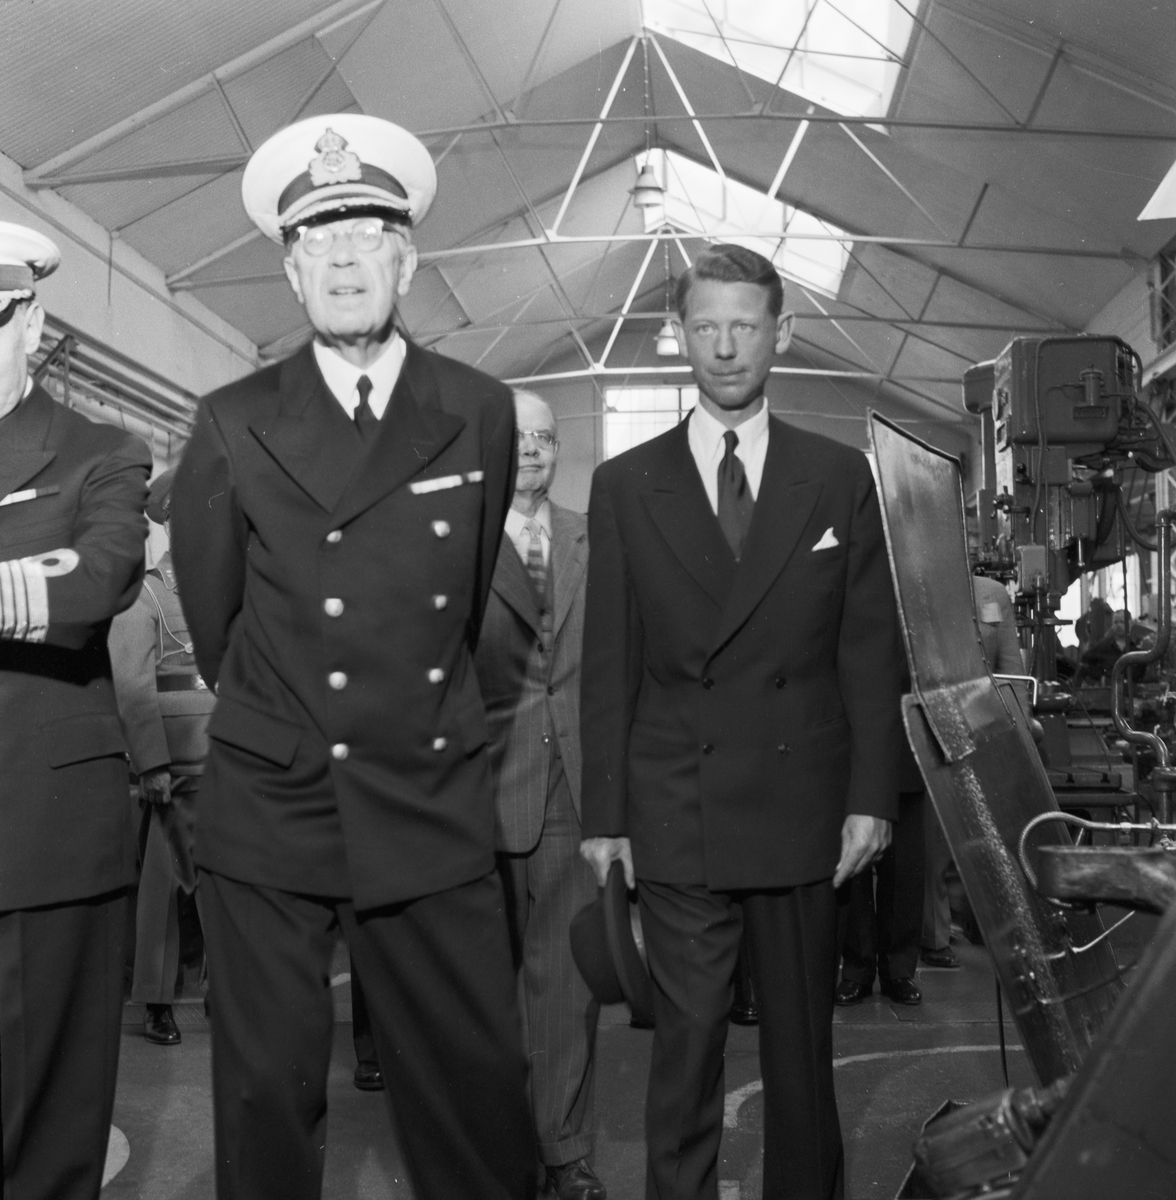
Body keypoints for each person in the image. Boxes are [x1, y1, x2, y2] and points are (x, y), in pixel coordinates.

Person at [170, 114, 535, 1200]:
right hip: (274, 798)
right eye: (316, 241)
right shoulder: (231, 421)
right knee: (266, 1097)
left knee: (475, 1090)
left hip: (427, 788)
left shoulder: (477, 409)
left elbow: (463, 600)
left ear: (407, 260)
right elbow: (217, 626)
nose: (341, 259)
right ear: (290, 272)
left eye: (366, 234)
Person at [579, 243, 905, 1200]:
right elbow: (609, 663)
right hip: (678, 802)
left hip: (804, 808)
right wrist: (606, 815)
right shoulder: (626, 482)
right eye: (706, 326)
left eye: (745, 327)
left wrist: (872, 797)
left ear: (782, 333)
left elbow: (867, 651)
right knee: (684, 1048)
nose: (724, 348)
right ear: (677, 335)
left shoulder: (837, 475)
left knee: (802, 1051)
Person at [0, 222, 151, 1199]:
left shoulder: (101, 452)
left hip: (40, 826)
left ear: (30, 321)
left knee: (47, 1122)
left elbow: (97, 579)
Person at [475, 389, 604, 1200]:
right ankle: (496, 1153)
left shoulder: (594, 537)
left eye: (546, 438)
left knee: (567, 986)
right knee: (484, 993)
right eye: (519, 438)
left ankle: (565, 1152)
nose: (532, 450)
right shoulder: (458, 542)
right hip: (482, 794)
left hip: (572, 790)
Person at [110, 466, 214, 1046]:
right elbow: (132, 683)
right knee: (164, 881)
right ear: (171, 521)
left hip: (232, 758)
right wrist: (150, 762)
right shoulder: (146, 592)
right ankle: (156, 999)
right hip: (175, 761)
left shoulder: (233, 591)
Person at [920, 574, 1023, 968]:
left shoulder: (992, 594)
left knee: (986, 831)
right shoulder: (923, 588)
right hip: (934, 726)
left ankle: (985, 924)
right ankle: (934, 936)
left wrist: (1020, 730)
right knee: (935, 838)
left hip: (985, 727)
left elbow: (1011, 670)